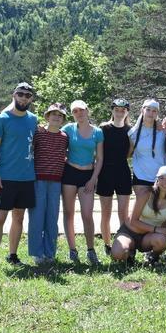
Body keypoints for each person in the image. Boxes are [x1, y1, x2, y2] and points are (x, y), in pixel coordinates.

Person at [0, 82, 39, 268]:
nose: (23, 98)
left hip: (26, 178)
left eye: (27, 95)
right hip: (6, 178)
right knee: (0, 219)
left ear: (31, 99)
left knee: (19, 218)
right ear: (14, 95)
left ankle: (13, 255)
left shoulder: (33, 120)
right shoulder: (1, 120)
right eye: (20, 94)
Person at [110, 165, 166, 264]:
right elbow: (133, 221)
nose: (165, 182)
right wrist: (157, 229)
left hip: (149, 237)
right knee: (118, 254)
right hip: (129, 232)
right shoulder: (145, 193)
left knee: (161, 240)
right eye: (161, 178)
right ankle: (130, 252)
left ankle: (153, 257)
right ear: (157, 180)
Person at [61, 100, 104, 265]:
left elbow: (100, 158)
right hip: (70, 173)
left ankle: (91, 250)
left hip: (88, 175)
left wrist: (94, 179)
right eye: (75, 111)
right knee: (69, 213)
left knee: (87, 214)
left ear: (88, 111)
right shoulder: (68, 129)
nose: (79, 113)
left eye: (81, 110)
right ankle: (72, 250)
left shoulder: (97, 132)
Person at [28, 102, 68, 265]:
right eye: (53, 114)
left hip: (56, 182)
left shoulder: (65, 137)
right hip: (38, 180)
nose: (56, 117)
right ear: (47, 116)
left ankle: (50, 253)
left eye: (60, 115)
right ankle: (37, 253)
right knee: (36, 217)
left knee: (52, 218)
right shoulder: (39, 133)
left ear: (63, 119)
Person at [97, 98, 133, 256]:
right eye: (117, 109)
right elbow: (98, 152)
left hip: (123, 172)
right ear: (112, 110)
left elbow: (130, 153)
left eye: (123, 110)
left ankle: (124, 244)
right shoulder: (103, 128)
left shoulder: (130, 130)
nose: (120, 112)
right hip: (105, 173)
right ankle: (107, 244)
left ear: (127, 112)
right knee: (106, 212)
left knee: (123, 213)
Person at [128, 98, 166, 196]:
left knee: (160, 208)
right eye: (148, 109)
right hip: (140, 176)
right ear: (142, 110)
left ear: (157, 113)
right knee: (142, 208)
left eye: (154, 111)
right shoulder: (133, 133)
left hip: (161, 176)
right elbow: (129, 154)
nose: (151, 113)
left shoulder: (163, 130)